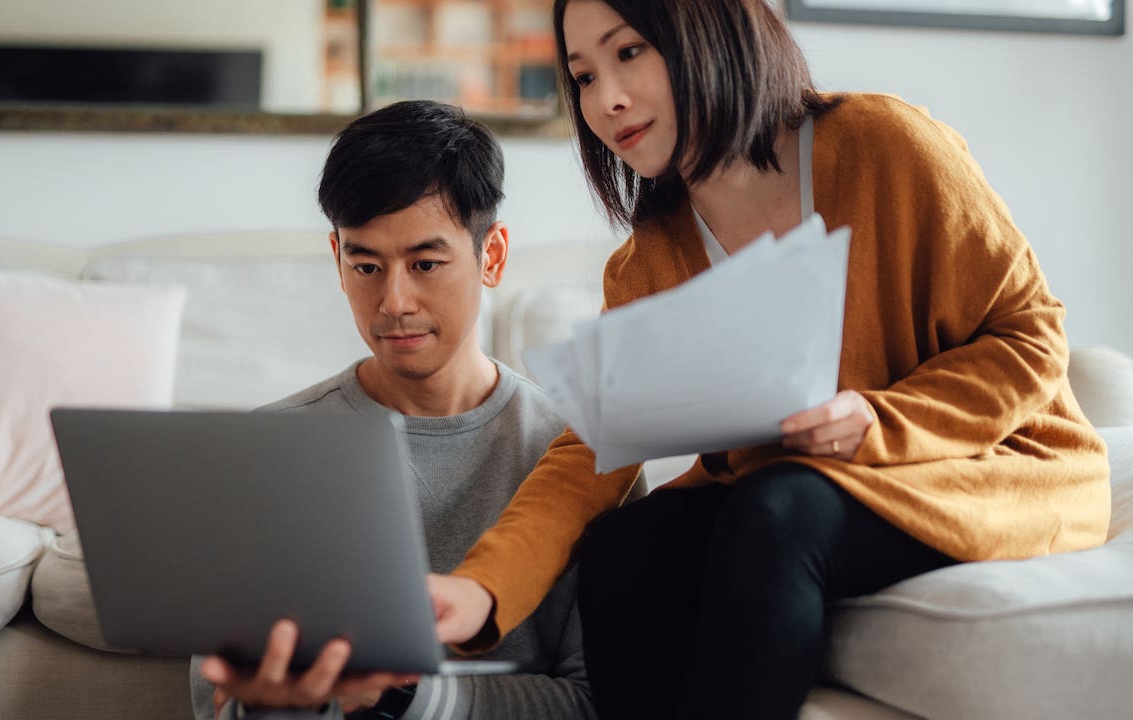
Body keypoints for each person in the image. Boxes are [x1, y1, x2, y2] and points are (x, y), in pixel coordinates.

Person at [426, 1, 1112, 718]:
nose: (606, 100)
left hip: (986, 466)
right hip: (807, 486)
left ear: (708, 29)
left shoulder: (888, 145)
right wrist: (483, 589)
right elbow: (595, 451)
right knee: (627, 546)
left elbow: (1031, 337)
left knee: (777, 508)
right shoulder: (649, 259)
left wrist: (877, 419)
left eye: (628, 53)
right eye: (583, 76)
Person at [190, 99, 605, 720]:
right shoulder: (270, 446)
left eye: (426, 264)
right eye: (366, 265)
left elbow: (596, 702)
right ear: (337, 259)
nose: (394, 301)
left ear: (490, 256)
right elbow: (213, 700)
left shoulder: (582, 452)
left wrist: (398, 695)